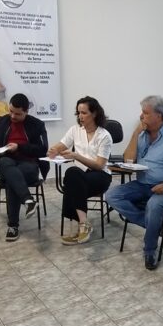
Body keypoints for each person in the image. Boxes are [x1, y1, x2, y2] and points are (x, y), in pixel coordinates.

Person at [105, 95, 163, 270]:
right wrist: (136, 133)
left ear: (158, 115)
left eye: (145, 113)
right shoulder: (142, 135)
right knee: (112, 195)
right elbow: (128, 159)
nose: (141, 116)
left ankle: (149, 251)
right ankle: (155, 225)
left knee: (154, 205)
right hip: (142, 184)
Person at [0, 93, 50, 242]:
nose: (12, 116)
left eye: (17, 114)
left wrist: (19, 147)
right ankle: (28, 200)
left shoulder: (37, 125)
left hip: (29, 164)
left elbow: (42, 149)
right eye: (10, 111)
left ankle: (13, 226)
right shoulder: (1, 122)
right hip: (6, 162)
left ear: (26, 112)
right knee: (7, 166)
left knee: (13, 178)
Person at [48, 95, 113, 245]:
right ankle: (83, 224)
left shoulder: (104, 136)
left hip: (99, 176)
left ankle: (77, 230)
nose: (80, 116)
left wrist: (76, 156)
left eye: (84, 113)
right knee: (73, 176)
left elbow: (99, 165)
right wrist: (53, 150)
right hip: (79, 177)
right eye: (78, 113)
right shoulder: (75, 130)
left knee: (72, 178)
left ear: (94, 113)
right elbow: (61, 145)